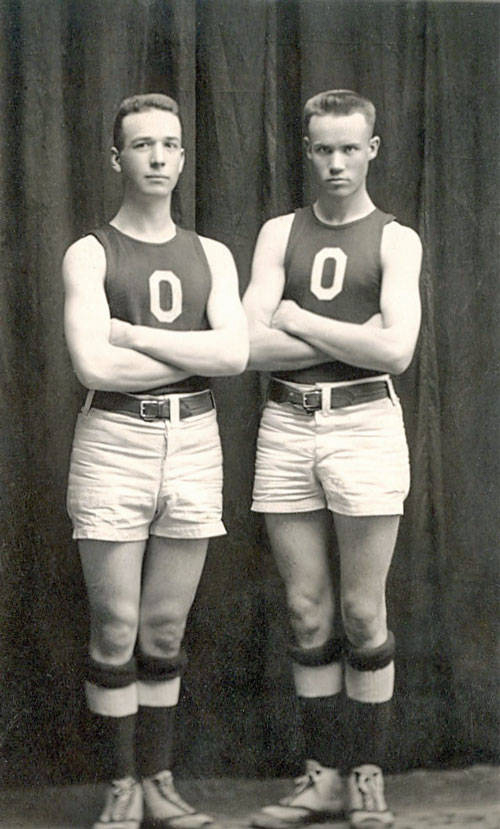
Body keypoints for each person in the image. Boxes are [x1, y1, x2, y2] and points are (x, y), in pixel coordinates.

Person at [63, 93, 248, 829]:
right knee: (115, 623)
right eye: (142, 145)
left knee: (165, 628)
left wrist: (134, 338)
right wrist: (183, 354)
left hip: (196, 441)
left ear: (182, 156)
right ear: (117, 158)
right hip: (113, 441)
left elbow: (233, 355)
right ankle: (121, 784)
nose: (158, 158)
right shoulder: (90, 251)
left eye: (170, 144)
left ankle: (160, 781)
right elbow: (88, 366)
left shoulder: (211, 254)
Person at [243, 89, 422, 828]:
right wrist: (352, 332)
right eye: (324, 148)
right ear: (307, 149)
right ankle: (321, 776)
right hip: (287, 422)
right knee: (306, 608)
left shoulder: (395, 238)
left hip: (365, 425)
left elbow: (398, 350)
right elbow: (248, 345)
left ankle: (366, 774)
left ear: (372, 149)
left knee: (361, 607)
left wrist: (299, 318)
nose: (337, 162)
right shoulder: (279, 232)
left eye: (350, 148)